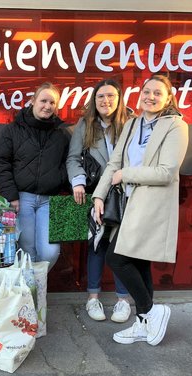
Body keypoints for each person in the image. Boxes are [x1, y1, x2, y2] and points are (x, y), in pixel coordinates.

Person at [93, 74, 189, 346]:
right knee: (137, 260)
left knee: (117, 258)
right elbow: (113, 163)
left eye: (158, 93)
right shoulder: (133, 123)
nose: (150, 96)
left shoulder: (176, 126)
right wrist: (99, 196)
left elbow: (166, 172)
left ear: (168, 98)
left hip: (151, 205)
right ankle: (144, 323)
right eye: (147, 91)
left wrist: (126, 174)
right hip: (127, 203)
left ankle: (150, 311)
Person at [66, 79, 134, 323]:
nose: (106, 101)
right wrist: (78, 181)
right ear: (94, 100)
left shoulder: (132, 122)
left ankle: (123, 300)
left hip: (126, 194)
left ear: (119, 98)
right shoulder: (85, 125)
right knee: (97, 245)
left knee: (122, 248)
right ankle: (92, 298)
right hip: (96, 194)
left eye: (111, 96)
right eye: (101, 96)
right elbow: (73, 158)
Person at [0, 82, 70, 270]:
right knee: (27, 250)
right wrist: (11, 195)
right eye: (43, 100)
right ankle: (34, 295)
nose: (47, 106)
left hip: (51, 200)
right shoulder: (12, 130)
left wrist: (61, 181)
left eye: (52, 102)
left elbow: (70, 162)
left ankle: (33, 286)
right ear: (33, 101)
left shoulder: (61, 133)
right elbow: (1, 163)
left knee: (51, 252)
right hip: (22, 199)